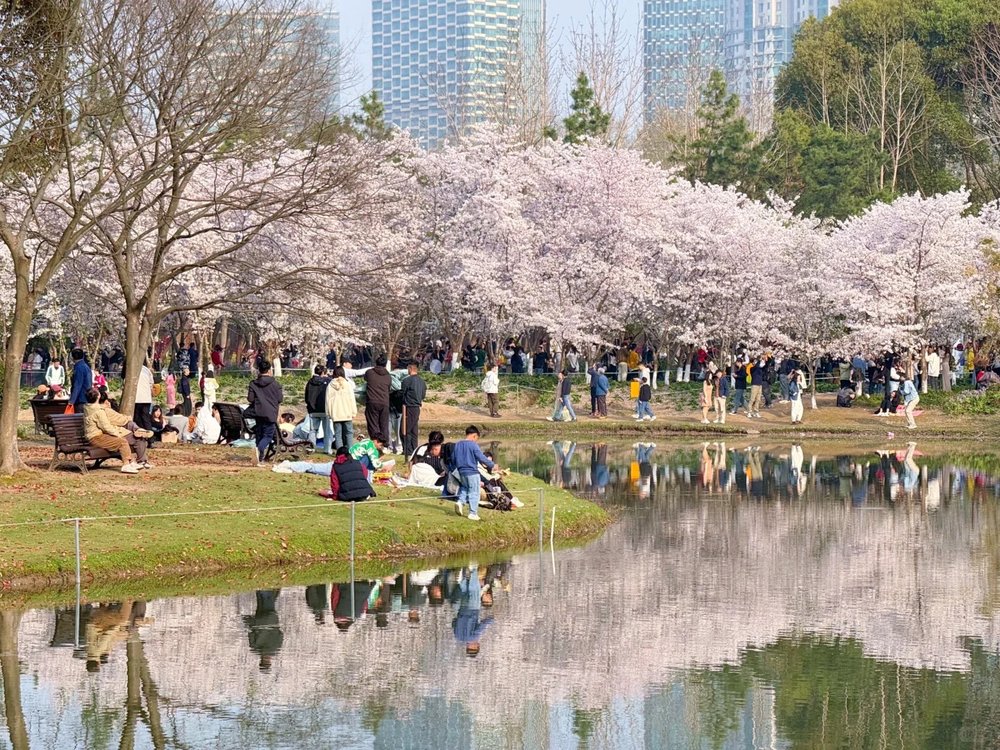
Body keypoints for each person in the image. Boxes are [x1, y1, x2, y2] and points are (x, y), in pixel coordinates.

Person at [82, 388, 152, 473]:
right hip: (96, 437)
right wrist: (116, 434)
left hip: (94, 436)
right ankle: (126, 465)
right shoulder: (98, 411)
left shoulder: (87, 407)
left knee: (123, 440)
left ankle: (130, 462)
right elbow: (106, 426)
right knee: (122, 442)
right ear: (98, 396)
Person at [451, 425, 496, 521]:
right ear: (474, 436)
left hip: (461, 471)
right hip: (472, 472)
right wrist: (492, 465)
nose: (476, 441)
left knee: (465, 487)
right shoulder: (473, 445)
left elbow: (453, 458)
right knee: (474, 492)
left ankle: (460, 502)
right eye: (476, 439)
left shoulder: (457, 444)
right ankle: (473, 513)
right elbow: (481, 457)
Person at [452, 565, 493, 657]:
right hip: (462, 609)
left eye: (477, 645)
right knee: (464, 589)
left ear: (475, 646)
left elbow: (482, 626)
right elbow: (453, 623)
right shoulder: (458, 637)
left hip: (473, 609)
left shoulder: (474, 637)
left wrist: (491, 619)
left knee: (474, 589)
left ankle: (473, 568)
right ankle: (463, 569)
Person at [247, 358, 283, 464]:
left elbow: (250, 399)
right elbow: (280, 399)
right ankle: (259, 450)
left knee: (259, 434)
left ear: (259, 370)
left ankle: (260, 458)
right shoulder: (275, 384)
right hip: (271, 413)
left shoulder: (253, 384)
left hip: (258, 413)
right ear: (269, 370)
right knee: (268, 435)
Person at [325, 365, 357, 451]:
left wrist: (328, 413)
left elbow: (327, 400)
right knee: (349, 432)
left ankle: (340, 453)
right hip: (347, 412)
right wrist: (354, 411)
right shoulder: (347, 384)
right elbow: (352, 399)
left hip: (336, 413)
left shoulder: (330, 385)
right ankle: (350, 451)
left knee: (338, 434)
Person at [400, 363, 427, 458]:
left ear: (410, 369)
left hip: (408, 407)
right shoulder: (422, 382)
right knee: (414, 429)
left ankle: (407, 450)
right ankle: (414, 448)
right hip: (417, 407)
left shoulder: (407, 380)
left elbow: (402, 394)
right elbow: (423, 395)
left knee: (405, 429)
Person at [304, 365, 332, 454]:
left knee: (313, 430)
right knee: (327, 431)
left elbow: (306, 396)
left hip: (313, 410)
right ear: (323, 372)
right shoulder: (327, 382)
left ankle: (311, 448)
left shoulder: (310, 382)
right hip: (324, 409)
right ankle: (327, 449)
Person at [363, 354, 391, 444]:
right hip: (384, 402)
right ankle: (384, 443)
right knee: (384, 424)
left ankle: (375, 442)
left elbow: (365, 379)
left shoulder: (370, 372)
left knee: (373, 424)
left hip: (372, 401)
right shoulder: (388, 376)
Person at [133, 362, 154, 430]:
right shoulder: (146, 370)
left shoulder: (133, 369)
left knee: (137, 417)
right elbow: (151, 382)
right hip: (146, 398)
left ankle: (141, 434)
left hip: (137, 398)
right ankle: (150, 436)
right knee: (146, 417)